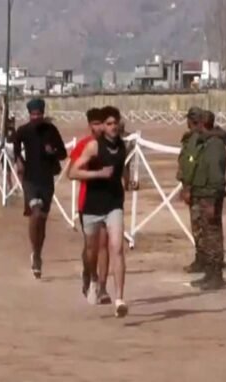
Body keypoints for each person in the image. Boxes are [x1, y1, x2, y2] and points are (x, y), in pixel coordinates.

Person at [68, 106, 135, 317]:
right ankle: (91, 278)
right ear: (103, 127)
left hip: (114, 203)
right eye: (108, 123)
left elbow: (122, 168)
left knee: (117, 248)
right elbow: (72, 172)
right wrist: (99, 174)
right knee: (91, 250)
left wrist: (128, 183)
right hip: (92, 205)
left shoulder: (124, 146)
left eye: (115, 123)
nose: (113, 127)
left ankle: (119, 299)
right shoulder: (93, 147)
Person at [12, 98, 67, 279]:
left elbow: (63, 153)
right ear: (29, 114)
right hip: (30, 179)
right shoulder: (24, 130)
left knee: (42, 220)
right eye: (33, 114)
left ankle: (38, 253)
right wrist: (19, 160)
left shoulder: (51, 130)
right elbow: (15, 145)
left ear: (43, 114)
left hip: (46, 180)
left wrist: (53, 152)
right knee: (35, 214)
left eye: (39, 114)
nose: (36, 117)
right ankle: (35, 255)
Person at [69, 108, 110, 302]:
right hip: (87, 201)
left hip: (109, 201)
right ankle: (90, 274)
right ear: (89, 125)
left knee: (104, 244)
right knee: (90, 246)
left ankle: (102, 287)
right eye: (95, 123)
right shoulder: (83, 146)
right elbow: (73, 172)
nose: (99, 127)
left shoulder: (113, 145)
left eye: (102, 123)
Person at [188, 110, 226, 290]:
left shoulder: (214, 145)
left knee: (213, 236)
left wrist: (212, 201)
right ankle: (209, 273)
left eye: (197, 123)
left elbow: (215, 174)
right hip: (203, 194)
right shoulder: (207, 142)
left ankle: (216, 275)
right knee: (206, 235)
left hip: (210, 196)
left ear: (203, 124)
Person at [178, 107, 205, 273]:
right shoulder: (199, 137)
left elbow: (190, 163)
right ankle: (205, 260)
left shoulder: (195, 139)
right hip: (198, 187)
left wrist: (187, 186)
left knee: (199, 227)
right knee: (203, 227)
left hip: (196, 188)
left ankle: (203, 260)